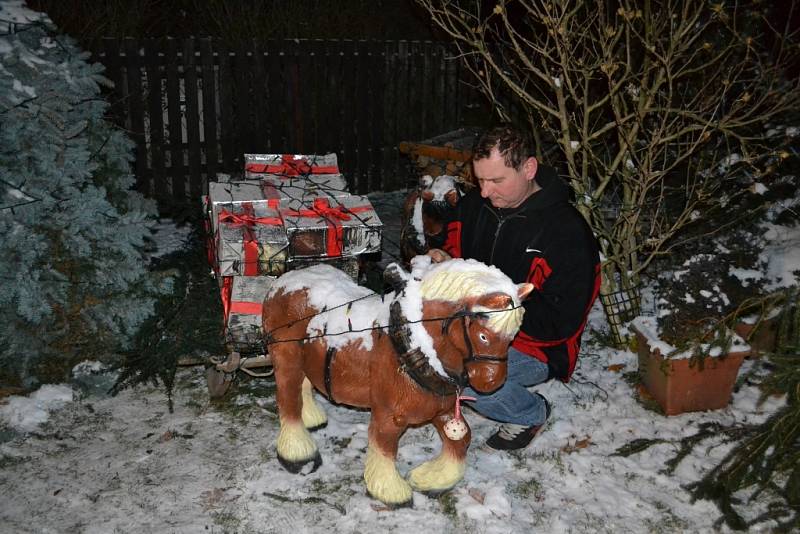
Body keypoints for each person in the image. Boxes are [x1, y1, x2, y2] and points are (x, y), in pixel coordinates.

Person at [428, 124, 601, 450]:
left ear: (528, 169)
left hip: (538, 346)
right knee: (425, 359)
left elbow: (562, 321)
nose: (484, 192)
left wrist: (490, 312)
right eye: (479, 180)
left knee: (465, 382)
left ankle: (531, 412)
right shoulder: (475, 207)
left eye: (496, 181)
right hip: (470, 325)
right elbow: (447, 244)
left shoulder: (567, 233)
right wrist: (440, 257)